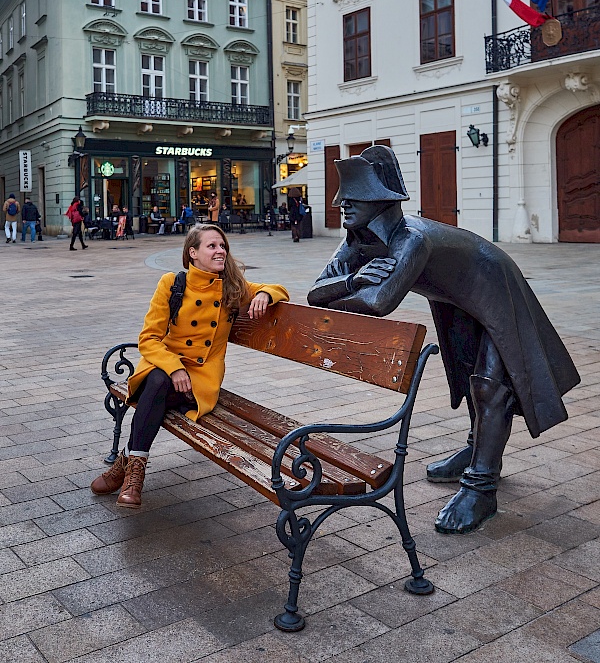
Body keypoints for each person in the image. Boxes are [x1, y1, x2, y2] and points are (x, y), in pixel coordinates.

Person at [307, 145, 580, 535]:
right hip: (455, 298)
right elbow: (316, 292)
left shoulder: (412, 238)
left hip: (493, 285)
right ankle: (476, 448)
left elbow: (380, 302)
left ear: (381, 200)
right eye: (343, 197)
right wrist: (353, 279)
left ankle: (481, 486)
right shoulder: (356, 239)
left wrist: (356, 289)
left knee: (490, 385)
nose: (342, 204)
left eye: (354, 197)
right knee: (468, 370)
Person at [90, 224, 289, 508]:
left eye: (222, 246)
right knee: (158, 382)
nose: (220, 250)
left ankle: (126, 464)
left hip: (199, 381)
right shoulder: (172, 283)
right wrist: (175, 367)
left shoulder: (232, 287)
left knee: (155, 394)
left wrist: (264, 295)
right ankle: (135, 473)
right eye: (212, 246)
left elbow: (279, 288)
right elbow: (148, 339)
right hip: (164, 368)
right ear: (192, 253)